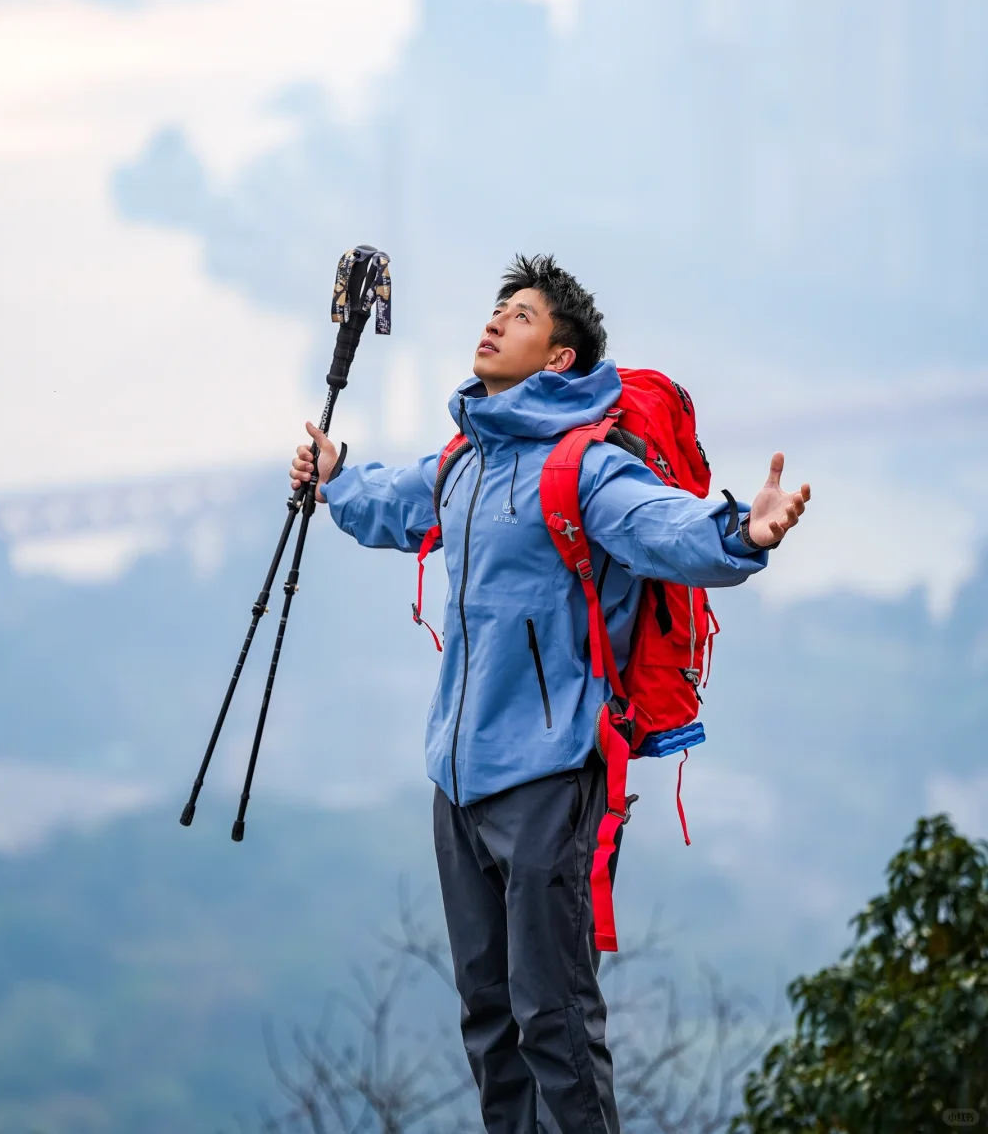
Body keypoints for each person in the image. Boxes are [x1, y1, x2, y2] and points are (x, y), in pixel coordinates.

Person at [290, 254, 810, 1134]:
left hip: (547, 779)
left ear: (559, 357)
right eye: (497, 307)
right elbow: (394, 504)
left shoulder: (586, 469)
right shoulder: (468, 458)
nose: (494, 321)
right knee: (488, 1020)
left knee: (554, 1016)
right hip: (456, 782)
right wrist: (337, 475)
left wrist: (740, 531)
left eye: (521, 315)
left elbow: (664, 526)